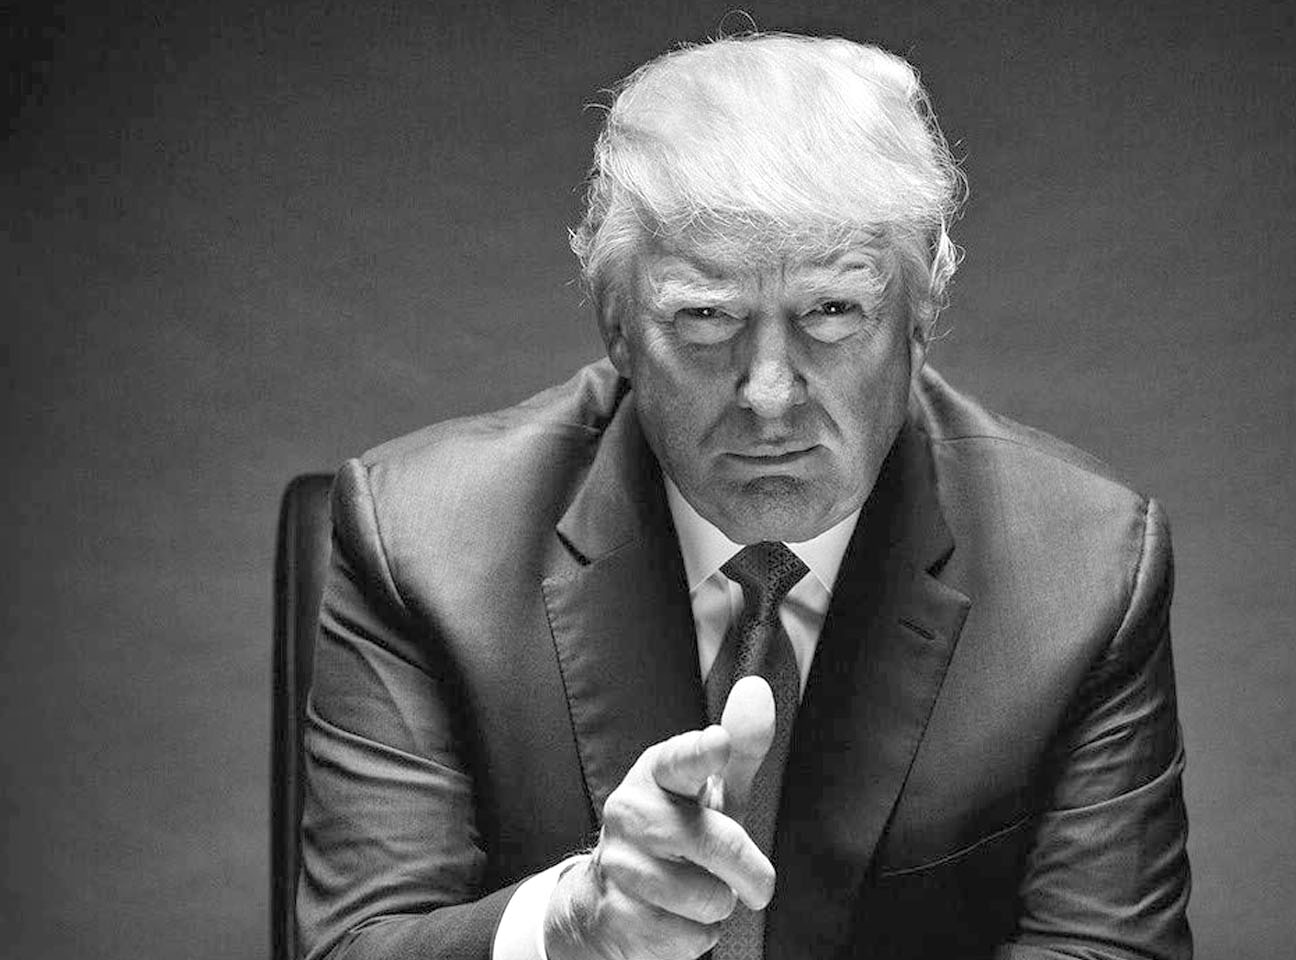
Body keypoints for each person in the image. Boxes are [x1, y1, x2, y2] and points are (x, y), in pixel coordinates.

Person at [298, 32, 1191, 960]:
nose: (768, 393)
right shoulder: (420, 541)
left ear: (921, 311)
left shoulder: (1085, 569)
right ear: (617, 326)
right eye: (706, 317)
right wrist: (572, 923)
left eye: (832, 311)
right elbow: (357, 944)